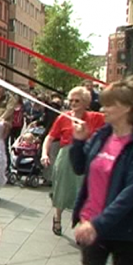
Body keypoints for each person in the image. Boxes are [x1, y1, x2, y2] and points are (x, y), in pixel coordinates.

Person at [70, 76, 133, 265]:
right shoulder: (102, 135)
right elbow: (79, 167)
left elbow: (131, 192)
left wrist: (99, 224)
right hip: (91, 223)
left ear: (127, 108)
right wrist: (78, 142)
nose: (103, 109)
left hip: (124, 230)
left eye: (110, 104)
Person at [42, 86, 105, 236]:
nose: (73, 103)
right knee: (61, 187)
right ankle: (57, 217)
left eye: (77, 101)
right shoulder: (63, 117)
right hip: (66, 155)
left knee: (84, 190)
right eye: (71, 100)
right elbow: (50, 137)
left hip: (86, 156)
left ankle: (82, 224)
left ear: (86, 102)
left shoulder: (96, 117)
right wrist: (45, 154)